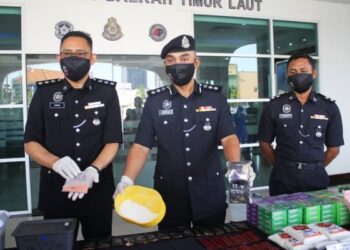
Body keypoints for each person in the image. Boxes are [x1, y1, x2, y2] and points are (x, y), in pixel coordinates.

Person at [114, 34, 241, 230]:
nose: (178, 65)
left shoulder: (215, 98)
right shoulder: (155, 101)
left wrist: (236, 169)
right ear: (166, 67)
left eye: (184, 59)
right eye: (171, 61)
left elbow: (229, 138)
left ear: (195, 62)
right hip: (169, 194)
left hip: (209, 191)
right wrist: (126, 180)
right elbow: (141, 146)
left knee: (211, 242)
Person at [24, 31, 122, 239]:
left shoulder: (107, 93)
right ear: (59, 58)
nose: (73, 58)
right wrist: (55, 162)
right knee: (56, 244)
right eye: (67, 53)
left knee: (99, 243)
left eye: (80, 53)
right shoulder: (44, 93)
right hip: (56, 191)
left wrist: (94, 168)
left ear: (92, 58)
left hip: (96, 188)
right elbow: (31, 142)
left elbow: (112, 141)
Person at [258, 53, 344, 196]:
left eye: (303, 71)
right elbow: (264, 144)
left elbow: (334, 149)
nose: (298, 75)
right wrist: (280, 166)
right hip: (283, 178)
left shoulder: (329, 107)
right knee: (282, 217)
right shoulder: (274, 105)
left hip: (316, 178)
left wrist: (315, 167)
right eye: (293, 71)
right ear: (287, 74)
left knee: (315, 219)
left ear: (314, 73)